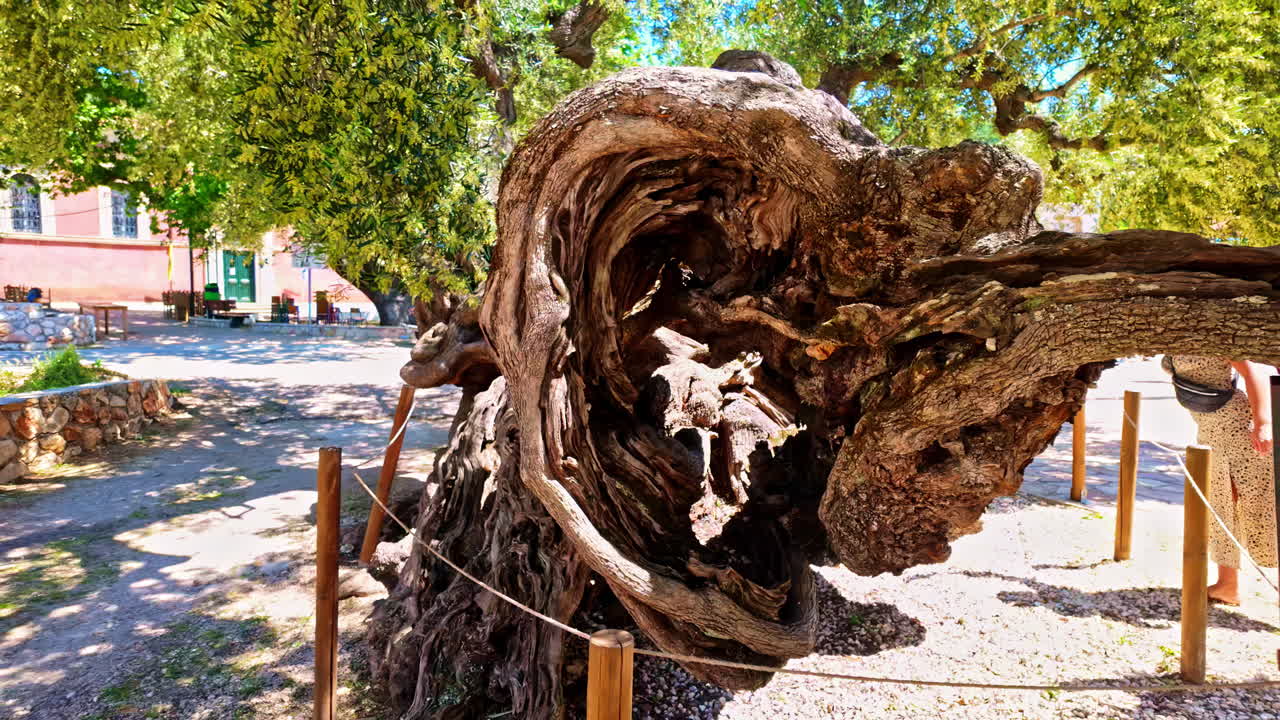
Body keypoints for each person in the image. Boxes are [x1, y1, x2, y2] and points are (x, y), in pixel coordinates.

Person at [1164, 356, 1278, 605]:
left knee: (1262, 505)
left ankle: (1230, 585)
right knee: (1221, 506)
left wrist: (1263, 423)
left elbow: (1254, 371)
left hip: (1236, 428)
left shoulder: (1212, 330)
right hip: (1212, 429)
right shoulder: (1178, 331)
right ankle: (1228, 585)